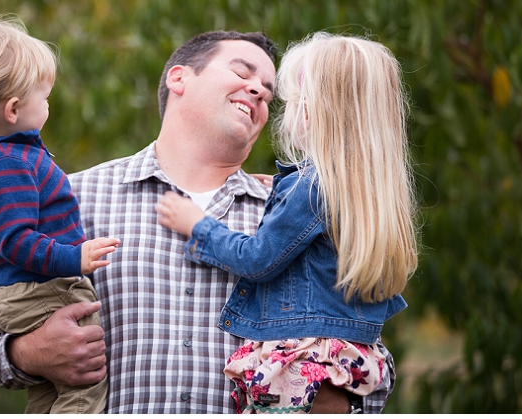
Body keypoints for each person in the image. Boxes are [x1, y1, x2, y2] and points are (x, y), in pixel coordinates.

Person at [0, 30, 399, 413]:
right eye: (242, 71)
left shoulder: (293, 215)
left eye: (269, 92)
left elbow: (360, 343)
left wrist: (337, 400)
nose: (259, 92)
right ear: (179, 78)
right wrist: (27, 353)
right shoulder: (74, 196)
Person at [155, 32, 419, 413]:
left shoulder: (308, 188)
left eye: (291, 101)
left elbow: (258, 259)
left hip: (300, 369)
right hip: (346, 363)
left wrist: (198, 225)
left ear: (310, 111)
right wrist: (282, 191)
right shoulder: (365, 191)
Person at [0, 18, 120, 413]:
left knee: (49, 393)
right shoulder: (6, 164)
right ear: (14, 109)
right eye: (45, 97)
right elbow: (15, 240)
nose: (49, 105)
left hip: (19, 291)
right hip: (41, 290)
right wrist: (76, 258)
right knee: (86, 381)